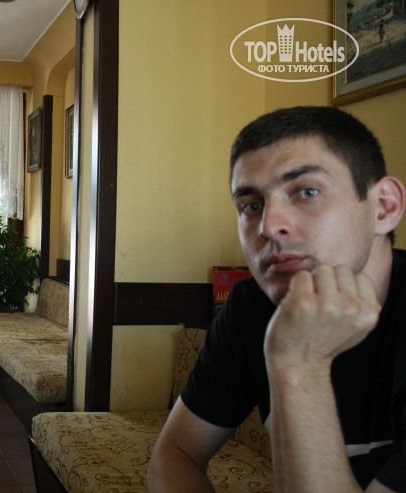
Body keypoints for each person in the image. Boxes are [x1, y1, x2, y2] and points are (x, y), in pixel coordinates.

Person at [147, 106, 406, 492]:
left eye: (307, 192)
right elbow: (174, 456)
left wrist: (300, 367)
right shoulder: (249, 308)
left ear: (384, 207)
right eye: (251, 206)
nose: (268, 226)